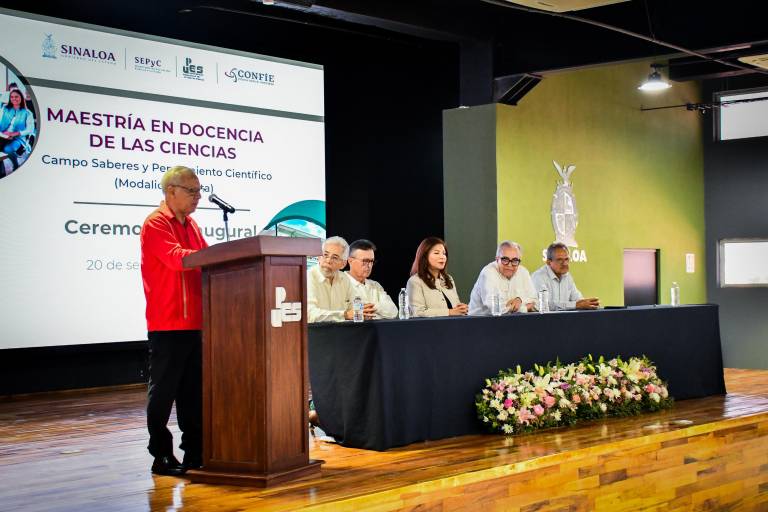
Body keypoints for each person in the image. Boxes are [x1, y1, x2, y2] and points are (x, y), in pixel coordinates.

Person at [140, 166, 208, 476]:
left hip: (197, 322)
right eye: (192, 191)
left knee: (193, 392)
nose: (198, 197)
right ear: (172, 192)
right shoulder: (156, 223)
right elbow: (177, 258)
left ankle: (195, 451)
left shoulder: (192, 224)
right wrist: (210, 257)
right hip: (167, 324)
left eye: (198, 191)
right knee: (163, 393)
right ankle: (161, 455)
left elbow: (204, 255)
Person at [469, 241, 538, 315]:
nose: (510, 265)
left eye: (515, 261)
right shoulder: (488, 273)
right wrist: (523, 307)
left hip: (512, 321)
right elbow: (496, 309)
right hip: (481, 322)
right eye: (505, 260)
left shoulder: (523, 272)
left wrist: (519, 300)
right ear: (497, 259)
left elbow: (535, 301)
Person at [406, 237, 468, 317]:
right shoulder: (415, 281)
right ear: (424, 256)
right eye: (436, 253)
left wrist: (461, 309)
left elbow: (455, 308)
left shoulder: (449, 279)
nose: (442, 257)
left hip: (454, 326)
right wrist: (450, 312)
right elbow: (417, 312)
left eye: (444, 253)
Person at [532, 242, 600, 310]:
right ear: (548, 262)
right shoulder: (538, 277)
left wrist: (588, 304)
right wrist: (575, 305)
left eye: (566, 259)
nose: (565, 263)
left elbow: (577, 299)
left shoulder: (567, 276)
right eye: (560, 260)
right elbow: (544, 305)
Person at [345, 239, 398, 320]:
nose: (369, 266)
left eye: (371, 261)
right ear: (350, 261)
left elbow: (394, 312)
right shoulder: (340, 282)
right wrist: (379, 311)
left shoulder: (375, 285)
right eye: (365, 261)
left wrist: (371, 305)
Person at [307, 236, 356, 322]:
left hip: (340, 332)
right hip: (315, 333)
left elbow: (353, 309)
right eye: (325, 255)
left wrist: (362, 313)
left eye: (334, 257)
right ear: (319, 257)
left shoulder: (345, 279)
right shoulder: (308, 276)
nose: (328, 261)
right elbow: (310, 314)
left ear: (343, 264)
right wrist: (344, 315)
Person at [0, 89, 35, 175]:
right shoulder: (5, 109)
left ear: (21, 98)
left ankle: (14, 163)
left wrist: (16, 133)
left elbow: (30, 129)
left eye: (16, 96)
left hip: (18, 138)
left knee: (7, 149)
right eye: (11, 97)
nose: (14, 99)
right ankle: (2, 171)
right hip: (3, 135)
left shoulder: (27, 113)